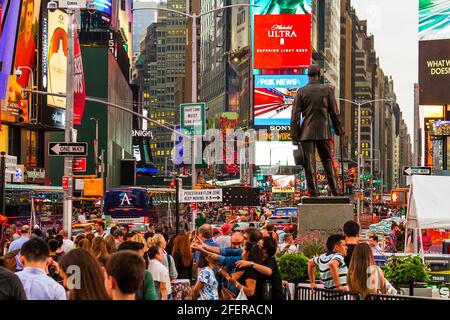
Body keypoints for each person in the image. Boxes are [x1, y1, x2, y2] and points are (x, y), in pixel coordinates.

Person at [290, 64, 345, 197]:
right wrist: (339, 130)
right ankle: (335, 191)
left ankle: (313, 193)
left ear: (308, 75)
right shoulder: (327, 90)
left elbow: (295, 116)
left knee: (309, 164)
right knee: (327, 161)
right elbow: (334, 113)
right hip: (323, 132)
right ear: (319, 75)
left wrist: (294, 135)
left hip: (306, 133)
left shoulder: (301, 92)